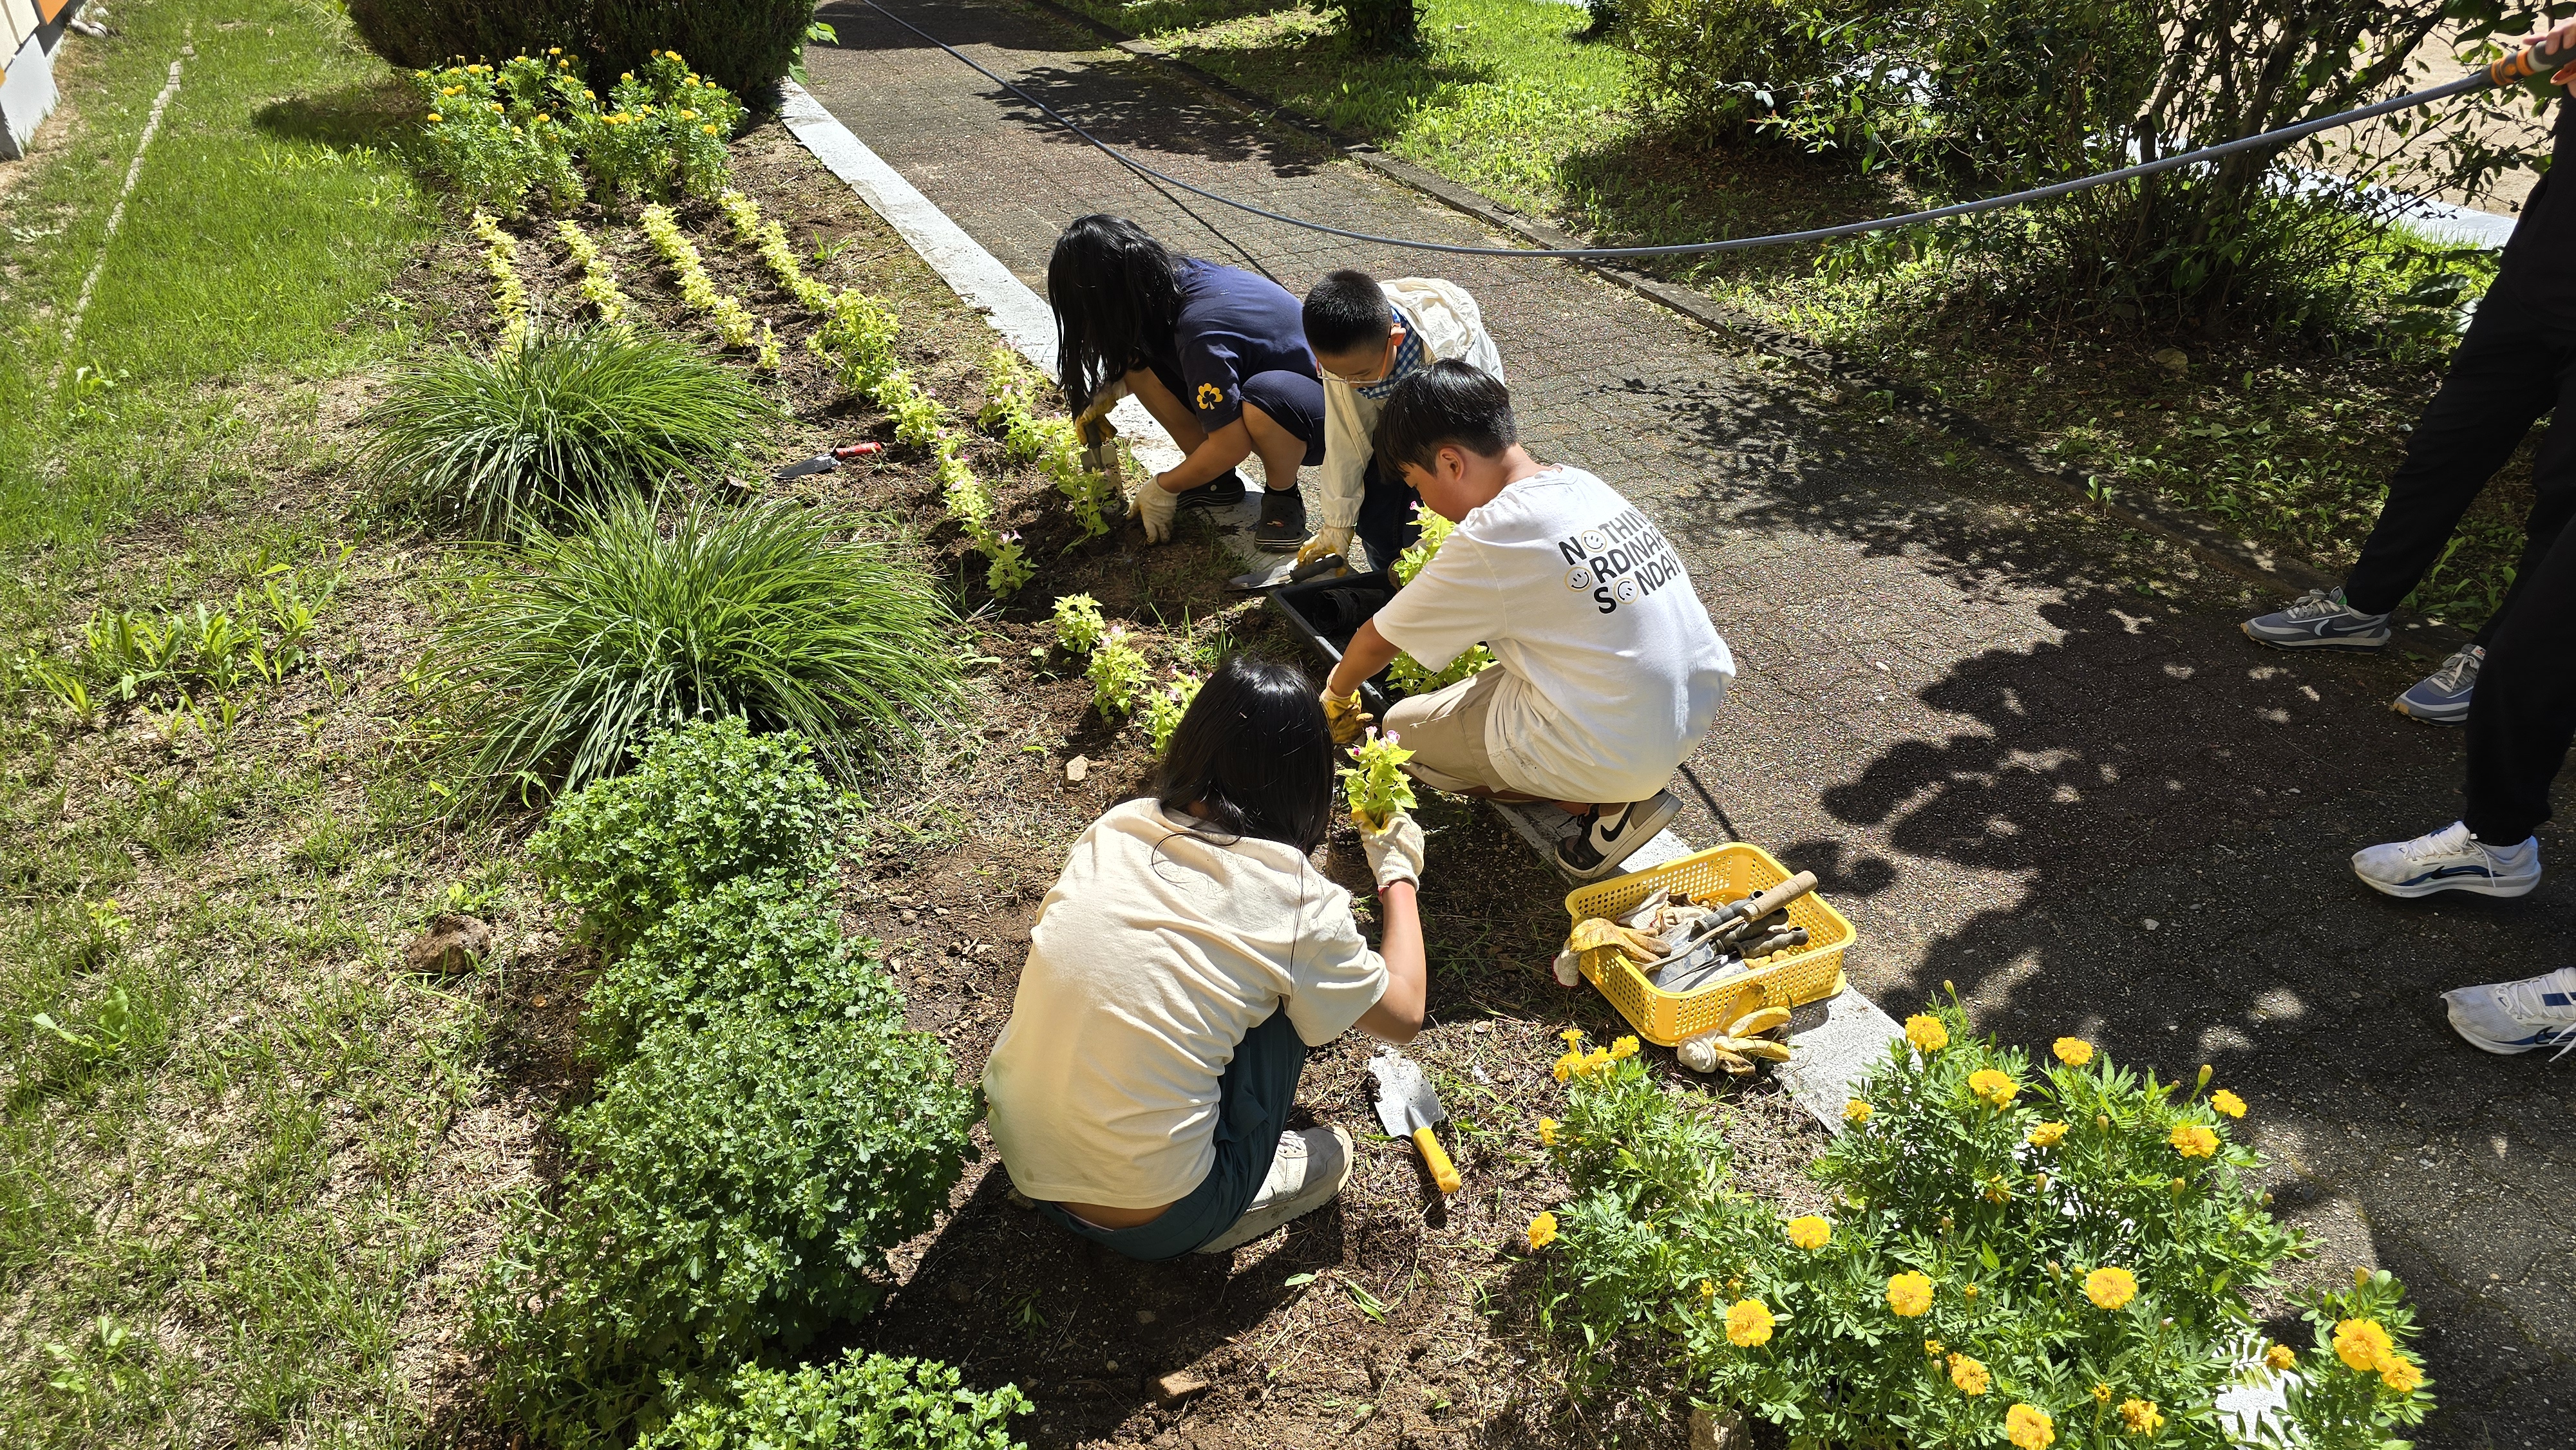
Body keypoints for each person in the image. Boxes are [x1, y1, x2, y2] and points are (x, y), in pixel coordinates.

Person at [981, 655, 1430, 1259]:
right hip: (1157, 1219)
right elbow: (1404, 1014)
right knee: (1290, 995)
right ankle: (1250, 1194)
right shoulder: (1295, 904)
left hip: (1023, 1159)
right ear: (1305, 781)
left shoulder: (1118, 827)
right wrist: (1398, 874)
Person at [2241, 23, 2576, 725]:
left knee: (2562, 501)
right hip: (2537, 280)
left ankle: (2501, 659)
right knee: (2441, 451)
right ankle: (2363, 607)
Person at [1318, 362, 1737, 881]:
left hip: (1621, 741)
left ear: (1450, 463)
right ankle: (1614, 785)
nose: (1419, 500)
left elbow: (1378, 638)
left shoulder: (1494, 534)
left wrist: (1336, 696)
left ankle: (1607, 806)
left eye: (1414, 481)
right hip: (1686, 710)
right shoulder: (1582, 483)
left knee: (1402, 732)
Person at [1046, 216, 1327, 550]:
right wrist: (1113, 387)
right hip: (1275, 389)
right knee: (1136, 364)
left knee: (1262, 399)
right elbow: (1145, 354)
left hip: (1319, 412)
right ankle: (1214, 482)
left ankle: (1284, 496)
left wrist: (1165, 487)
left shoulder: (1199, 331)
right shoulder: (1167, 282)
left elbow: (1231, 445)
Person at [1298, 268, 1505, 570]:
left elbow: (1462, 462)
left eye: (1360, 377)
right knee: (1377, 523)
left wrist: (1430, 543)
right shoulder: (1352, 348)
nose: (1352, 386)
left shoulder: (1450, 353)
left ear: (1395, 339)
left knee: (1419, 529)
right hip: (1396, 422)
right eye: (1337, 375)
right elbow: (1347, 438)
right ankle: (1384, 579)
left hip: (1456, 432)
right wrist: (1337, 526)